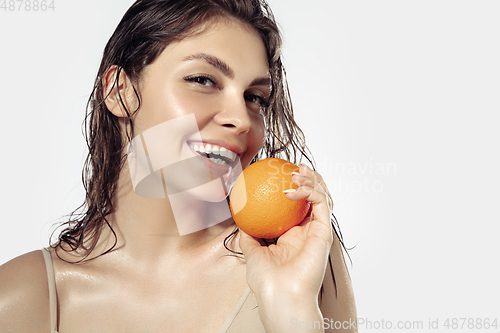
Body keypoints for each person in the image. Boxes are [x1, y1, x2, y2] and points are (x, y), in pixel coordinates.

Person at [0, 0, 356, 332]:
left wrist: (292, 309)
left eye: (254, 97)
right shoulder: (24, 297)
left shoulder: (297, 263)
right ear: (119, 92)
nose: (241, 119)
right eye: (202, 80)